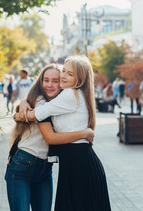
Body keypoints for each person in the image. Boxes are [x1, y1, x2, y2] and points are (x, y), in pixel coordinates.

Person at [16, 55, 111, 211]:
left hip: (79, 164)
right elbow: (41, 104)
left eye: (70, 74)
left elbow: (35, 114)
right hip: (76, 162)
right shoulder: (72, 94)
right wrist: (25, 101)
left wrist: (19, 114)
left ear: (80, 79)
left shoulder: (70, 95)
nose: (63, 76)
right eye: (64, 71)